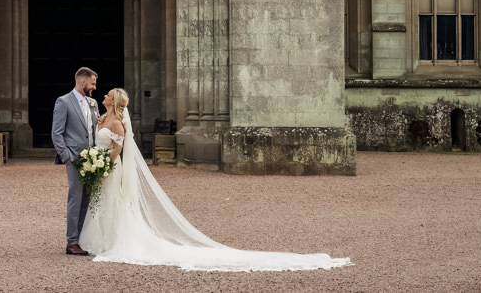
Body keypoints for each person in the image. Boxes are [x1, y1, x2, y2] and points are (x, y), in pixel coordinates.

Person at [77, 88, 352, 272]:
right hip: (101, 168)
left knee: (112, 203)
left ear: (115, 101)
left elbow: (117, 151)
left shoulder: (116, 124)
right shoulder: (102, 117)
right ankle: (99, 239)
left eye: (108, 94)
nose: (103, 95)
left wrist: (101, 167)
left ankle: (110, 241)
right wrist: (93, 160)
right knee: (102, 204)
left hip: (108, 169)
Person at [51, 66, 99, 256]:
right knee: (75, 199)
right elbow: (57, 133)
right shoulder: (63, 102)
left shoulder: (93, 102)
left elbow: (95, 129)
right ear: (82, 81)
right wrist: (67, 157)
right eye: (92, 83)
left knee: (87, 199)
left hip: (93, 160)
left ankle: (82, 238)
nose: (94, 87)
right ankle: (72, 242)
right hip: (75, 159)